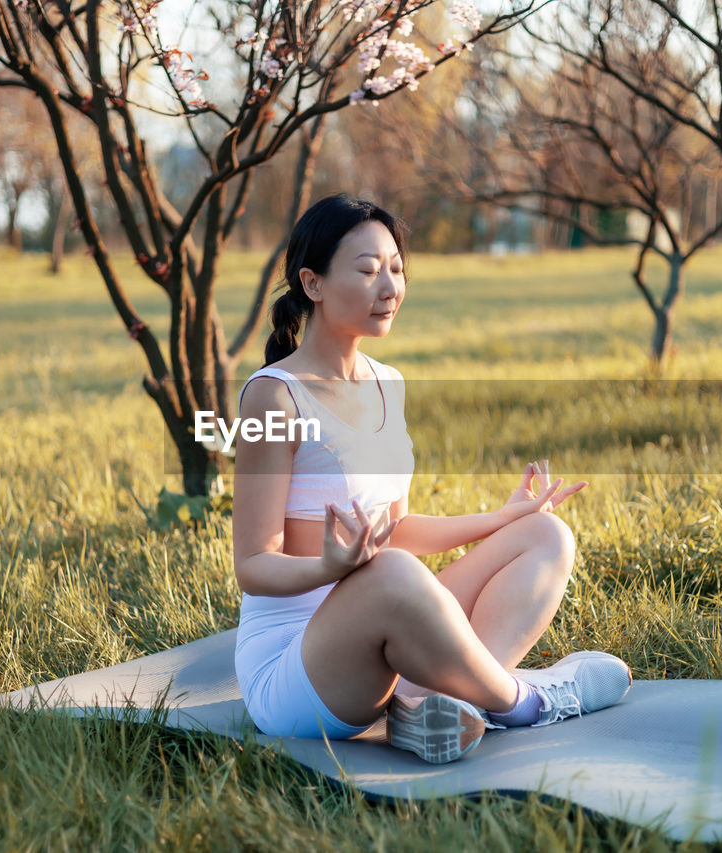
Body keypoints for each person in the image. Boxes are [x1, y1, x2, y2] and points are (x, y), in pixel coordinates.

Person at [231, 194, 631, 764]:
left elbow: (395, 530)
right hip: (297, 671)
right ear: (312, 284)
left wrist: (501, 519)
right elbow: (252, 566)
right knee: (393, 571)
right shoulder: (273, 396)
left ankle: (432, 703)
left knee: (546, 537)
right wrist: (330, 568)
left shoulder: (388, 383)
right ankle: (528, 702)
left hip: (377, 615)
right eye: (368, 270)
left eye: (395, 268)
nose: (389, 287)